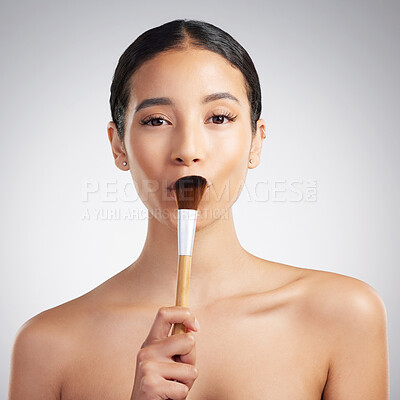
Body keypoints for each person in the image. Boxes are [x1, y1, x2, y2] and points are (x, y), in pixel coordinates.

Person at [8, 19, 389, 400]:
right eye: (157, 120)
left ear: (256, 141)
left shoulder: (344, 315)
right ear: (118, 146)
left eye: (218, 118)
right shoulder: (47, 346)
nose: (188, 149)